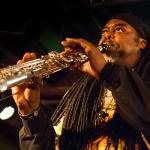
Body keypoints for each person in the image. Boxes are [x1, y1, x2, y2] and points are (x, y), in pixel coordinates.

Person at [11, 13, 150, 150]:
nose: (107, 35)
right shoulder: (82, 93)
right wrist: (32, 116)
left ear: (141, 43)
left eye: (119, 29)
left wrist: (106, 71)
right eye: (104, 32)